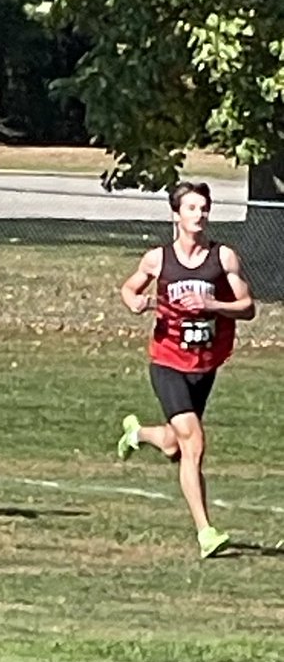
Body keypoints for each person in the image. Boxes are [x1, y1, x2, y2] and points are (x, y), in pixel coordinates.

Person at [117, 181, 255, 558]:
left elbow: (247, 306)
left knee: (174, 444)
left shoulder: (223, 258)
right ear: (176, 215)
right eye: (192, 208)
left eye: (204, 208)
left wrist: (213, 305)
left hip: (205, 365)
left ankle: (139, 433)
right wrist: (136, 302)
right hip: (167, 363)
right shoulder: (158, 259)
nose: (200, 214)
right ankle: (206, 532)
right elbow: (129, 289)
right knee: (194, 443)